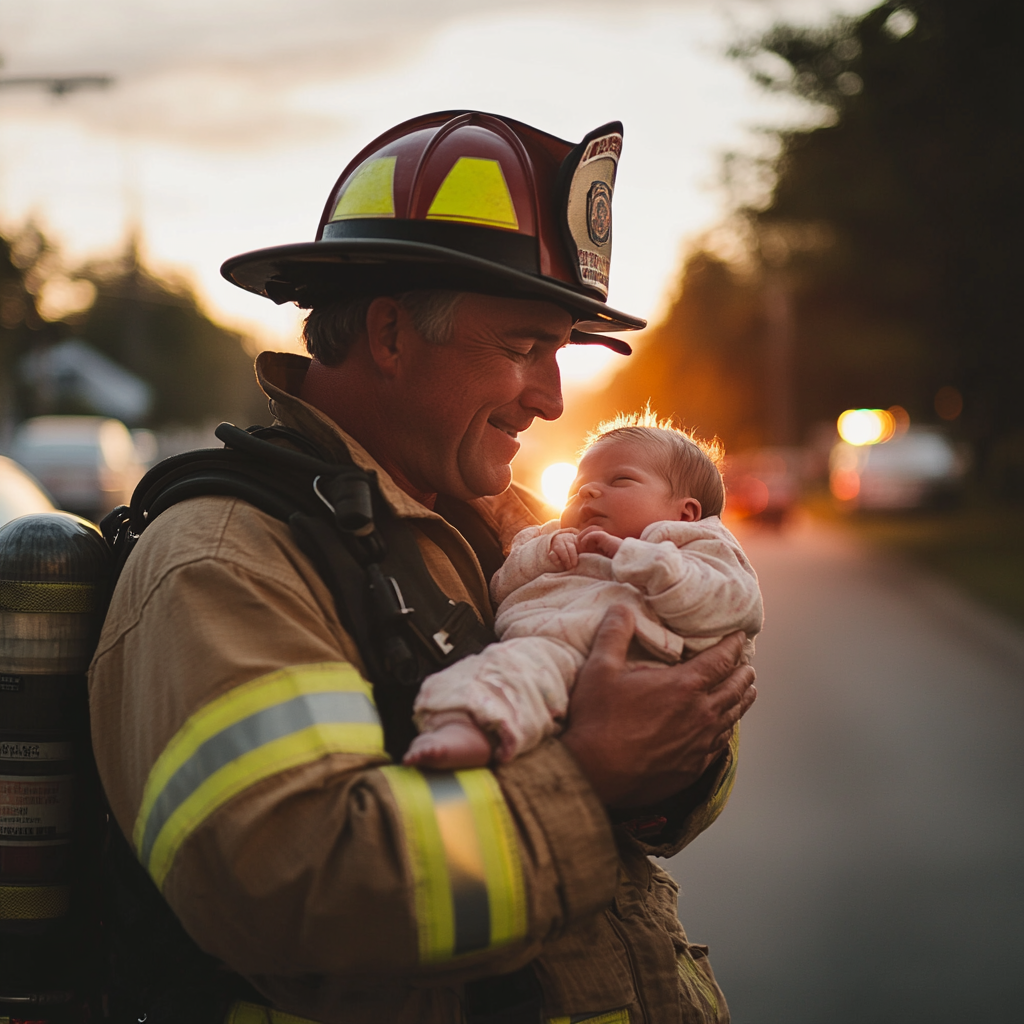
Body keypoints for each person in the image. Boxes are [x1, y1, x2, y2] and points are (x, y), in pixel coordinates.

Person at [89, 111, 757, 1024]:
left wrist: (670, 757)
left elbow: (671, 777)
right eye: (523, 348)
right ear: (393, 334)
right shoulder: (226, 560)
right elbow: (294, 892)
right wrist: (592, 775)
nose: (552, 400)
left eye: (559, 352)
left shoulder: (501, 521)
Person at [406, 416, 763, 769]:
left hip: (653, 662)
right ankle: (463, 730)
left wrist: (639, 559)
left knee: (520, 680)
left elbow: (737, 606)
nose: (588, 493)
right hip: (553, 648)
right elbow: (502, 586)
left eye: (620, 480)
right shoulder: (550, 538)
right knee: (500, 675)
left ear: (685, 513)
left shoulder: (699, 544)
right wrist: (546, 552)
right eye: (577, 489)